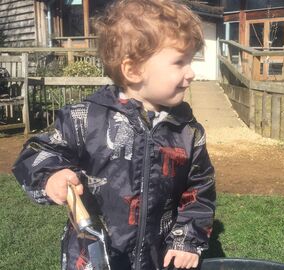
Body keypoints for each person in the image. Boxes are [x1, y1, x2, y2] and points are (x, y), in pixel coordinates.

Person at [12, 0, 215, 269]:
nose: (191, 73)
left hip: (158, 259)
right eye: (179, 62)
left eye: (190, 60)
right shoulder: (86, 118)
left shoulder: (188, 131)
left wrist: (187, 239)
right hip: (92, 256)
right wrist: (50, 175)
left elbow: (199, 191)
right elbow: (36, 152)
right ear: (132, 70)